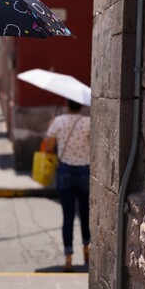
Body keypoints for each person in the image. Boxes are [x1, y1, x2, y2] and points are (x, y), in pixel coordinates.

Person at [43, 99, 91, 272]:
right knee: (85, 213)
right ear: (81, 105)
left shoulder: (58, 121)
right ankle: (87, 251)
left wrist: (51, 127)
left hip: (65, 171)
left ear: (67, 104)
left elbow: (48, 147)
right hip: (85, 170)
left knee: (68, 215)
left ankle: (68, 258)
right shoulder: (88, 122)